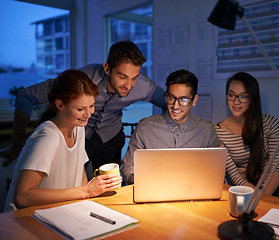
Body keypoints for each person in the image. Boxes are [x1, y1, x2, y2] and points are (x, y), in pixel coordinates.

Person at [0, 41, 167, 179]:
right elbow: (25, 97)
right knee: (77, 186)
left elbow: (170, 103)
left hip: (111, 138)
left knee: (108, 189)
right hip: (78, 137)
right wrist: (16, 144)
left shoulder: (144, 86)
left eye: (134, 78)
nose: (129, 85)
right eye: (122, 77)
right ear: (107, 68)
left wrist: (160, 138)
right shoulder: (82, 79)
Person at [4, 69, 122, 211]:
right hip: (24, 221)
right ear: (60, 105)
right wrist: (86, 191)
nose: (88, 114)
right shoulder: (47, 137)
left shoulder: (78, 127)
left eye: (91, 106)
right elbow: (22, 197)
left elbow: (81, 178)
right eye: (80, 109)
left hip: (57, 213)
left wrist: (92, 191)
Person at [215, 72, 279, 202]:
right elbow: (234, 174)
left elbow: (275, 168)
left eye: (243, 96)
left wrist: (263, 198)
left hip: (272, 187)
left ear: (252, 98)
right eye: (231, 95)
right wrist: (252, 193)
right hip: (241, 188)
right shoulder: (218, 131)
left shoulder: (270, 123)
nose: (236, 101)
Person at [121, 69, 220, 185]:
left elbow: (216, 172)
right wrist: (148, 181)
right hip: (154, 193)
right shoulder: (145, 128)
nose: (175, 106)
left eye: (183, 100)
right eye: (171, 98)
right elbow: (128, 168)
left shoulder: (206, 129)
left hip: (194, 195)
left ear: (194, 100)